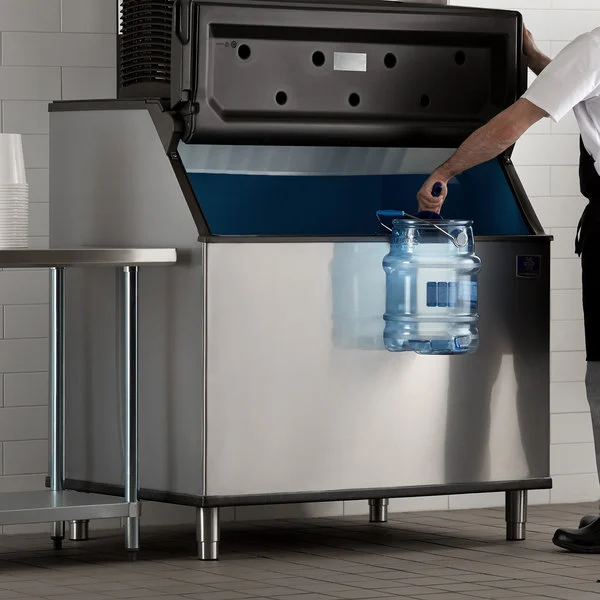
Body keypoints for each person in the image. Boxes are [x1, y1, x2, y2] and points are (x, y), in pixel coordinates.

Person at [417, 25, 600, 553]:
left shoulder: (595, 47)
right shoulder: (588, 57)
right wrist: (534, 54)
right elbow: (572, 85)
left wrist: (446, 170)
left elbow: (512, 123)